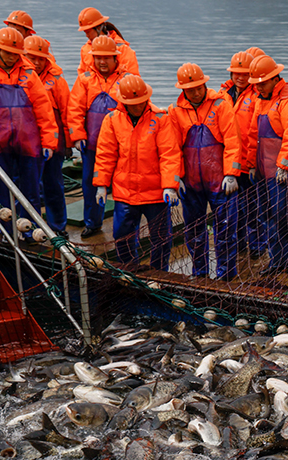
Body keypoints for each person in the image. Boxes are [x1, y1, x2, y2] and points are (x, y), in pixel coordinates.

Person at [93, 75, 181, 271]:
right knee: (122, 237)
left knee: (161, 238)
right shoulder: (112, 120)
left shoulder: (161, 119)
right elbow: (105, 153)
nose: (137, 106)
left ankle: (159, 273)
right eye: (132, 103)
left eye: (140, 101)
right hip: (125, 193)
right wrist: (101, 184)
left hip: (156, 194)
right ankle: (129, 271)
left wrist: (170, 186)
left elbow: (170, 154)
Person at [0, 27, 57, 236]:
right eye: (8, 52)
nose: (13, 56)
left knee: (31, 191)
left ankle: (31, 232)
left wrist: (49, 141)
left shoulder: (29, 75)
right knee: (1, 192)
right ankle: (6, 232)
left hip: (28, 144)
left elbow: (44, 110)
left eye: (16, 53)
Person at [170, 63, 241, 280]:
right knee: (194, 232)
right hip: (191, 184)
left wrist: (231, 173)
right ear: (183, 90)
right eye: (190, 89)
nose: (195, 92)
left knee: (225, 230)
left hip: (220, 182)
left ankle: (226, 273)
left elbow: (232, 141)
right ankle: (200, 272)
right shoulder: (176, 111)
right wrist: (176, 179)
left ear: (205, 84)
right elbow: (172, 149)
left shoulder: (221, 104)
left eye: (199, 87)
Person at [245, 55, 288, 275]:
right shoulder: (260, 101)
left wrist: (285, 166)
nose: (259, 87)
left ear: (275, 78)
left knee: (283, 214)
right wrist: (251, 164)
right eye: (256, 84)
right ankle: (277, 259)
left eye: (263, 83)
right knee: (266, 214)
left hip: (283, 172)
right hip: (263, 170)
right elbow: (254, 135)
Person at [67, 35, 132, 239]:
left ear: (115, 58)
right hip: (92, 145)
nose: (102, 62)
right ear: (92, 58)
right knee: (90, 184)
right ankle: (92, 223)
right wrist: (77, 136)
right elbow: (75, 109)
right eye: (98, 58)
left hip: (122, 147)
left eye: (107, 57)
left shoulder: (126, 80)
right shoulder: (85, 79)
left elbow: (137, 109)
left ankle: (127, 227)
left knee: (124, 185)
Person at [24, 35, 70, 236]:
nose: (35, 62)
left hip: (53, 142)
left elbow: (68, 111)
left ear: (47, 59)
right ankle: (30, 227)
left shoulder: (57, 80)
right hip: (26, 141)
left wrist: (68, 142)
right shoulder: (19, 77)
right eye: (31, 57)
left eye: (40, 58)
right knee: (28, 187)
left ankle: (58, 227)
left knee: (53, 186)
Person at [219, 51, 263, 259]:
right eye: (236, 73)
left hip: (249, 162)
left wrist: (254, 162)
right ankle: (238, 245)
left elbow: (256, 131)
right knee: (233, 209)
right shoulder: (223, 96)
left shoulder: (257, 95)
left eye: (244, 73)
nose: (240, 77)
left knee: (253, 208)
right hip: (230, 162)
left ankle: (257, 246)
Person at [76, 7, 138, 76]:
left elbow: (133, 79)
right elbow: (81, 76)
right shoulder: (85, 49)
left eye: (88, 32)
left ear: (98, 28)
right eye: (85, 32)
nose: (86, 36)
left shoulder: (123, 49)